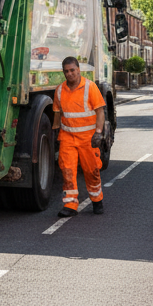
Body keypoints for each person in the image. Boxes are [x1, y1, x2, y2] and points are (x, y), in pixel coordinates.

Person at [52, 56, 106, 217]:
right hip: (67, 137)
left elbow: (100, 111)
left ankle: (97, 200)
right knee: (67, 170)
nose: (69, 74)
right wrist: (55, 129)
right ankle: (70, 204)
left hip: (87, 138)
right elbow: (57, 112)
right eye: (66, 71)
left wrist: (98, 132)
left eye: (72, 70)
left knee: (91, 170)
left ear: (78, 70)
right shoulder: (60, 90)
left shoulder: (90, 87)